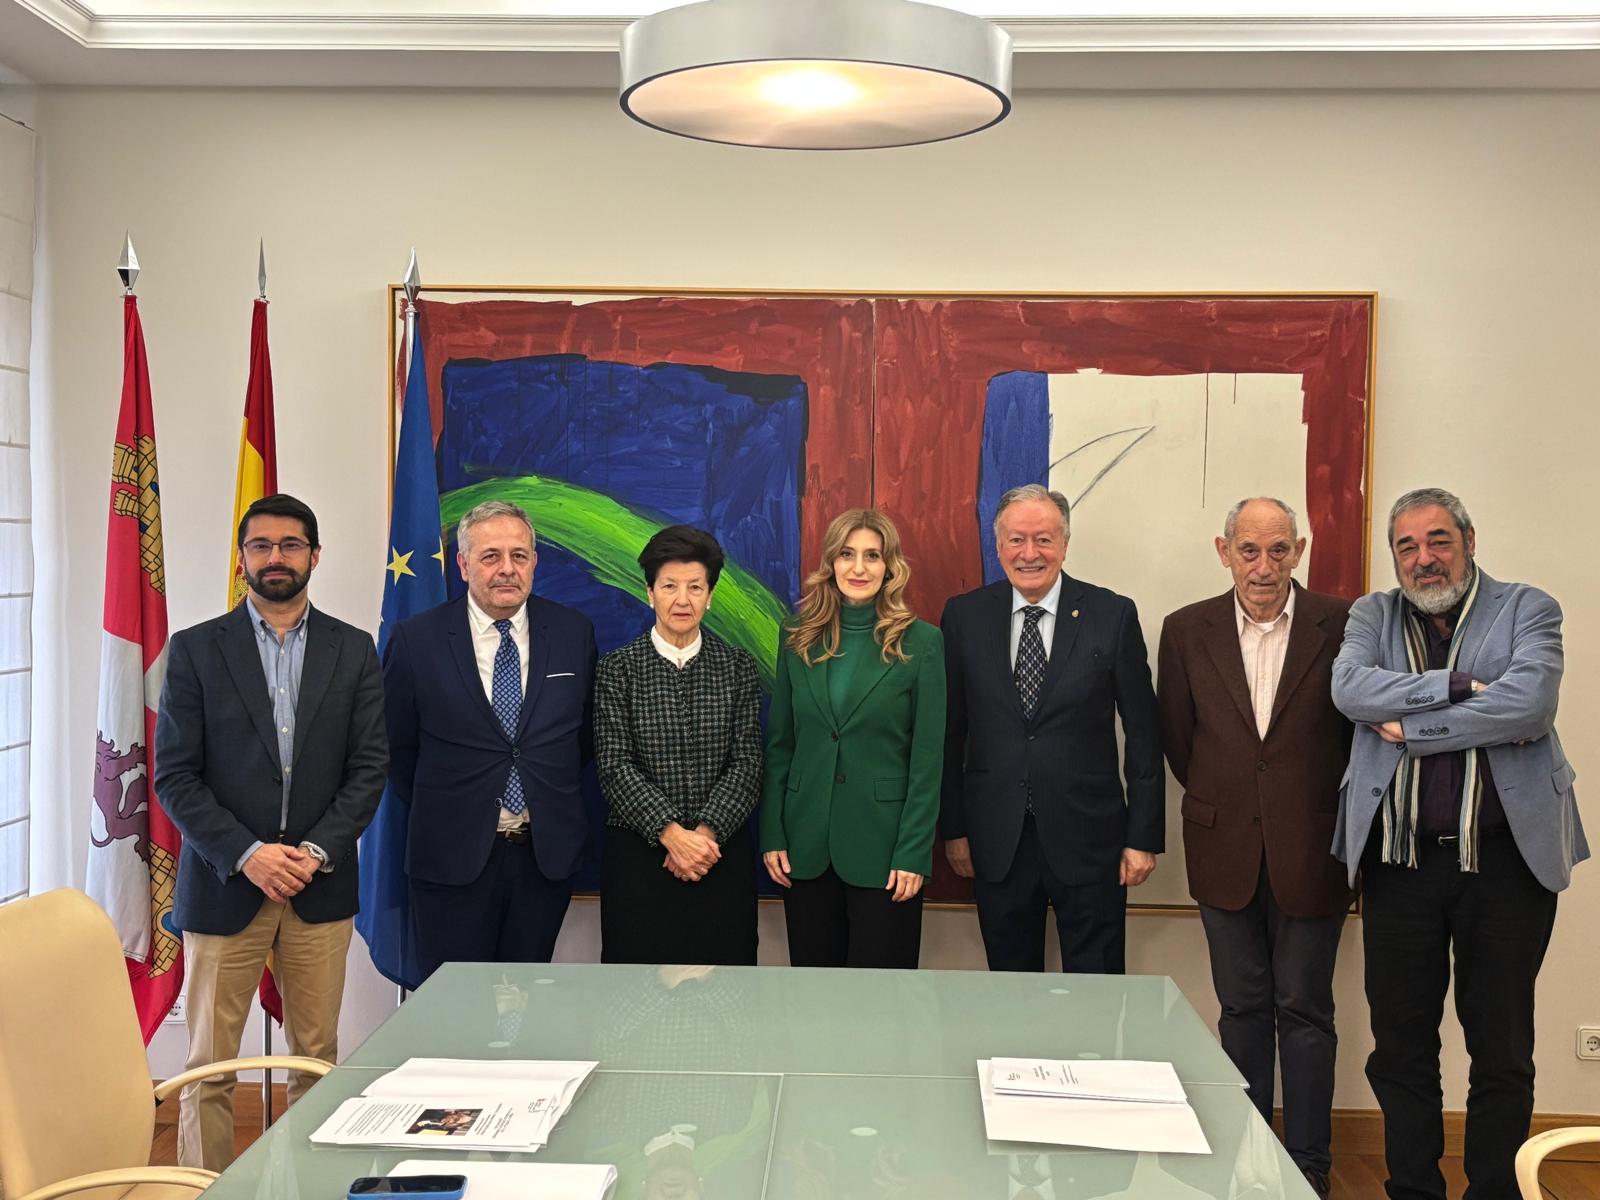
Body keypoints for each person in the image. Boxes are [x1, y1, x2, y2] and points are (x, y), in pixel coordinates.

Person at [1332, 486, 1589, 1200]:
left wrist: (1413, 726)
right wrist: (1459, 687)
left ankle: (1496, 1193)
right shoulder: (1370, 615)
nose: (1424, 559)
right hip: (1400, 864)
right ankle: (1413, 1190)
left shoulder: (1527, 608)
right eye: (1407, 546)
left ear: (1469, 542)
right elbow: (1351, 691)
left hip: (1505, 864)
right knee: (1401, 1049)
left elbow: (1531, 703)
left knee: (1501, 1050)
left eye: (1438, 540)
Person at [154, 493, 386, 1170]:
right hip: (226, 886)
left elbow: (369, 768)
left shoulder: (354, 650)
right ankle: (204, 1187)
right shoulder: (196, 651)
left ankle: (309, 1184)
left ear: (315, 556)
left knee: (316, 1061)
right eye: (261, 546)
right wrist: (249, 855)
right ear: (242, 558)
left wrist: (310, 854)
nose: (276, 558)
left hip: (320, 887)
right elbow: (175, 777)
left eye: (291, 545)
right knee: (209, 1067)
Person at [1156, 496, 1353, 1199]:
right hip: (1222, 848)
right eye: (1248, 550)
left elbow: (1355, 736)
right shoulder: (1185, 630)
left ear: (1298, 550)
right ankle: (1246, 1159)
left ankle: (1306, 1170)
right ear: (1223, 549)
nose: (1263, 566)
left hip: (1315, 847)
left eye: (1278, 550)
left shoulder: (1345, 623)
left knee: (1305, 1009)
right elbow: (1180, 743)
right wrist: (1235, 800)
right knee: (1241, 1009)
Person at [940, 483, 1162, 974]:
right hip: (997, 840)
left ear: (1064, 543)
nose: (1029, 553)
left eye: (1043, 539)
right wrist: (953, 829)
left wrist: (1142, 837)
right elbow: (951, 732)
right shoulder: (964, 617)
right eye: (1016, 540)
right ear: (997, 547)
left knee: (1098, 992)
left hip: (1092, 840)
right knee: (1010, 993)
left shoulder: (1113, 615)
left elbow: (1144, 736)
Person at [383, 499, 597, 979]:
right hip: (450, 858)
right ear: (462, 565)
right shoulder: (417, 641)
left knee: (527, 1006)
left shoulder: (572, 633)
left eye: (519, 556)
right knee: (453, 1015)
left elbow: (581, 739)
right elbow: (396, 750)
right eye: (491, 556)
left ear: (534, 562)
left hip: (543, 859)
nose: (507, 569)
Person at [760, 508, 945, 968]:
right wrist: (773, 833)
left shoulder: (922, 643)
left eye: (872, 556)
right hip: (804, 847)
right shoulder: (796, 639)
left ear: (890, 567)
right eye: (847, 554)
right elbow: (780, 744)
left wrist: (914, 852)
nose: (859, 568)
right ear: (831, 564)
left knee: (883, 1004)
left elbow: (927, 761)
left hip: (886, 854)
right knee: (814, 1000)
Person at [595, 525, 763, 965]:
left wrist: (702, 837)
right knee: (635, 1000)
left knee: (727, 1001)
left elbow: (746, 763)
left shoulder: (736, 667)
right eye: (670, 586)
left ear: (710, 595)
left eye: (695, 587)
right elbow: (614, 766)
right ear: (649, 592)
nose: (682, 600)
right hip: (640, 860)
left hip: (718, 856)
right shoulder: (617, 670)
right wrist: (671, 835)